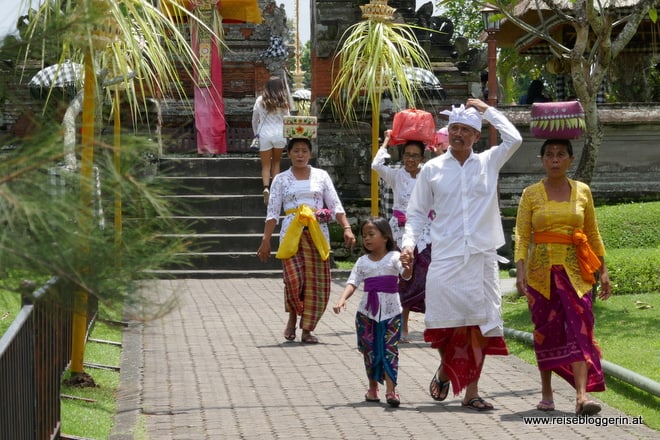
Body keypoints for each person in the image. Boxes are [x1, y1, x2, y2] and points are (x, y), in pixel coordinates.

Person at [400, 98, 522, 411]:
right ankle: (446, 369)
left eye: (465, 130)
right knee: (446, 326)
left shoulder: (488, 162)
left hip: (481, 258)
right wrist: (409, 245)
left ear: (476, 136)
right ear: (447, 133)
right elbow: (415, 213)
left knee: (480, 326)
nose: (458, 134)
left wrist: (486, 111)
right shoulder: (432, 169)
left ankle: (472, 391)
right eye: (454, 128)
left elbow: (515, 138)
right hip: (446, 257)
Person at [514, 138, 611, 416]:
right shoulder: (530, 194)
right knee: (546, 332)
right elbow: (522, 235)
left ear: (570, 159)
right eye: (549, 155)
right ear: (542, 160)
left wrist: (602, 269)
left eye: (560, 154)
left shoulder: (583, 191)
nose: (555, 159)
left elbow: (592, 233)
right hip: (540, 274)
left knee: (580, 329)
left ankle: (582, 397)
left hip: (577, 273)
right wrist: (521, 271)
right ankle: (546, 393)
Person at [257, 137, 356, 344]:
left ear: (310, 154)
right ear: (289, 154)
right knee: (293, 281)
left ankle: (307, 328)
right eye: (296, 151)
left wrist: (346, 227)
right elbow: (273, 212)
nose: (300, 155)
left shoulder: (321, 176)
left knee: (316, 283)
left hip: (317, 235)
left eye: (304, 151)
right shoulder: (281, 179)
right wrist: (266, 240)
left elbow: (335, 204)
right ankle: (293, 316)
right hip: (291, 236)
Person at [333, 217, 412, 408]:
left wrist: (408, 265)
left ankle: (391, 391)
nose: (367, 239)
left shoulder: (394, 257)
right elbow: (353, 282)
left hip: (391, 312)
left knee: (389, 349)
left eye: (371, 234)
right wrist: (342, 299)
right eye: (364, 235)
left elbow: (406, 274)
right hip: (366, 313)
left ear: (385, 237)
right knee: (369, 350)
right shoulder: (362, 262)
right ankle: (372, 388)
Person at [371, 131, 427, 342]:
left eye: (415, 156)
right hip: (400, 232)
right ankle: (401, 327)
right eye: (407, 155)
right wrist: (386, 140)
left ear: (422, 158)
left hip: (425, 233)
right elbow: (376, 165)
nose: (410, 159)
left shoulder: (428, 174)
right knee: (401, 279)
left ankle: (432, 327)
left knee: (425, 277)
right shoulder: (396, 174)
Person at [252, 77, 291, 204]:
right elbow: (288, 119)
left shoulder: (260, 100)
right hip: (279, 134)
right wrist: (289, 136)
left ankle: (266, 188)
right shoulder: (283, 101)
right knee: (276, 162)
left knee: (265, 165)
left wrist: (256, 134)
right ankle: (275, 190)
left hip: (264, 134)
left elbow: (254, 120)